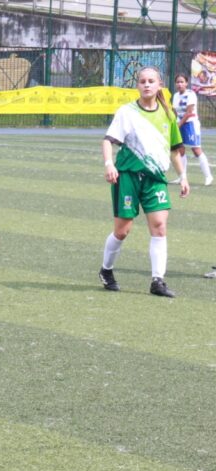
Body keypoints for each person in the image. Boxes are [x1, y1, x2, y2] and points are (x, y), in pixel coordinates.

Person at [99, 65, 187, 298]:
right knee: (123, 230)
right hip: (127, 176)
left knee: (159, 226)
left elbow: (175, 151)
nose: (146, 84)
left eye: (151, 81)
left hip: (155, 179)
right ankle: (106, 270)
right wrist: (109, 164)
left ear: (160, 85)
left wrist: (184, 176)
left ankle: (158, 281)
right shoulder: (127, 112)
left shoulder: (168, 115)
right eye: (142, 81)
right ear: (138, 85)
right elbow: (108, 141)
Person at [172, 73, 213, 187]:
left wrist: (178, 125)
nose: (180, 84)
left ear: (186, 83)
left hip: (190, 124)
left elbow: (189, 113)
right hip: (180, 124)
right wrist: (174, 123)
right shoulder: (175, 96)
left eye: (182, 82)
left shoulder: (191, 95)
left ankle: (208, 176)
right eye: (178, 82)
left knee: (196, 150)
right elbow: (175, 112)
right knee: (181, 150)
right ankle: (182, 177)